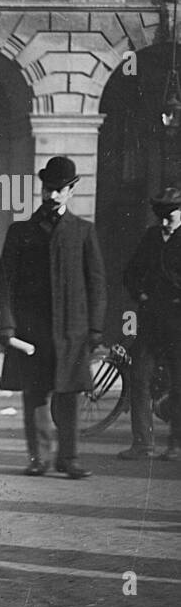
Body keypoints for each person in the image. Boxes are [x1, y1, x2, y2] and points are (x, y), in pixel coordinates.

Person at [0, 156, 106, 479]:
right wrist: (6, 324)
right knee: (35, 393)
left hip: (72, 329)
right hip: (32, 330)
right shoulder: (21, 231)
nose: (52, 196)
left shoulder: (84, 232)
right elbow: (4, 281)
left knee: (70, 394)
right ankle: (38, 457)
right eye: (47, 189)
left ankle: (68, 459)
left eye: (59, 190)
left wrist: (96, 327)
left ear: (71, 190)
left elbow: (97, 284)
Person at [119, 187, 181, 460]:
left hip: (178, 323)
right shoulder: (151, 237)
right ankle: (142, 443)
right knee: (139, 377)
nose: (165, 221)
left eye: (171, 215)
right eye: (161, 216)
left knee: (179, 383)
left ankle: (176, 445)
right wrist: (139, 293)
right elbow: (131, 271)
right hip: (150, 321)